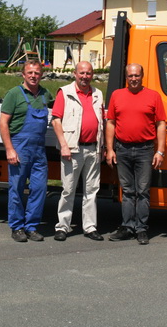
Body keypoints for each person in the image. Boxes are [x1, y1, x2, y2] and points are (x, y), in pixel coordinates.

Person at [105, 63, 166, 245]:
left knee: (143, 191)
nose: (133, 79)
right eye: (130, 76)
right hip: (122, 149)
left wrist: (160, 151)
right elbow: (110, 123)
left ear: (142, 76)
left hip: (145, 150)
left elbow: (161, 124)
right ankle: (127, 227)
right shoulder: (117, 95)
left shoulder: (153, 96)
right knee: (128, 191)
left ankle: (141, 229)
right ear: (126, 77)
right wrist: (110, 149)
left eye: (136, 76)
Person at [0, 59, 54, 243]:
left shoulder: (46, 94)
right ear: (23, 74)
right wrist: (9, 149)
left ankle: (31, 227)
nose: (33, 76)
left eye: (37, 73)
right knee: (16, 188)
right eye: (30, 72)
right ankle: (17, 227)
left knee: (39, 188)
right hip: (19, 147)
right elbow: (3, 123)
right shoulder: (14, 94)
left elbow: (59, 110)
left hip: (39, 149)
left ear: (41, 74)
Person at [51, 61, 104, 241]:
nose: (85, 76)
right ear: (75, 74)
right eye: (81, 73)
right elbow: (56, 120)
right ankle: (63, 227)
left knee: (92, 191)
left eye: (88, 73)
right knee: (68, 190)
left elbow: (102, 122)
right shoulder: (65, 93)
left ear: (92, 74)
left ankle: (90, 227)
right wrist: (64, 145)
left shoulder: (98, 94)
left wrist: (102, 147)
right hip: (72, 149)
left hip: (92, 149)